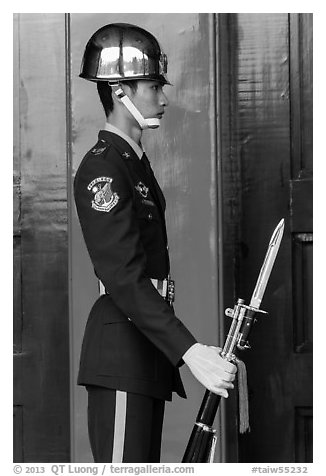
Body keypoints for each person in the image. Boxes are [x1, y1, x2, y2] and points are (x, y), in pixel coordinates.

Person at [74, 23, 237, 463]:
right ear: (119, 90)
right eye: (152, 86)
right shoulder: (104, 169)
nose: (163, 98)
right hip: (123, 350)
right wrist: (190, 350)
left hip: (144, 347)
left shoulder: (134, 164)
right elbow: (123, 276)